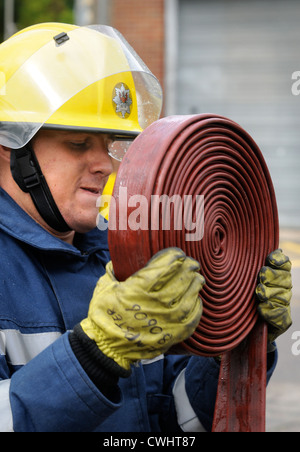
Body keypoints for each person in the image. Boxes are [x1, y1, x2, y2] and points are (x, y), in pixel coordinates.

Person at [0, 23, 292, 433]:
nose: (105, 164)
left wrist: (239, 341)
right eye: (79, 143)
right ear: (12, 148)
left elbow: (183, 416)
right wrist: (94, 356)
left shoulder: (124, 255)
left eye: (109, 144)